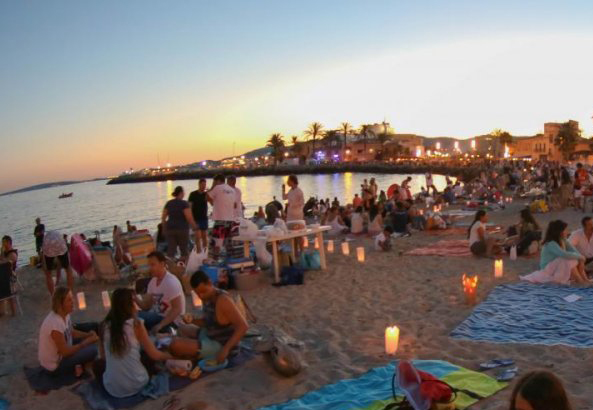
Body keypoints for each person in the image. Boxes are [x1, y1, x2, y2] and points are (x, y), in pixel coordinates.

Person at [99, 288, 173, 398]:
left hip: (112, 389)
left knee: (98, 366)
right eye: (134, 302)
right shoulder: (136, 325)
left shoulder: (104, 326)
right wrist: (173, 355)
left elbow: (103, 357)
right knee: (148, 357)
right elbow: (155, 355)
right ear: (129, 305)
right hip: (137, 383)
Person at [171, 270, 249, 363]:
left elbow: (243, 326)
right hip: (209, 334)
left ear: (210, 283)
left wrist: (226, 349)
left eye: (203, 291)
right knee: (182, 328)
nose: (201, 296)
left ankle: (193, 354)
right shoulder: (206, 297)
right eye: (198, 294)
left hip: (221, 344)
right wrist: (192, 320)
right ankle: (193, 352)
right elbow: (208, 322)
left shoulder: (223, 300)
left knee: (175, 345)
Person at [38, 287, 98, 377]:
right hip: (56, 365)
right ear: (60, 304)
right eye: (69, 300)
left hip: (65, 349)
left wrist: (88, 335)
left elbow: (71, 332)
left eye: (72, 298)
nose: (73, 302)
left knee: (90, 343)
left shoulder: (65, 314)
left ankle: (78, 365)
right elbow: (65, 352)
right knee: (93, 350)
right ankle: (77, 367)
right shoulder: (54, 325)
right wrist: (85, 343)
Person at [521, 220, 590, 285]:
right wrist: (581, 257)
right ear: (560, 232)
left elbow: (575, 251)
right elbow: (563, 254)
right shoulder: (550, 243)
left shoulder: (563, 240)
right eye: (566, 230)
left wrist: (581, 259)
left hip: (557, 265)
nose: (567, 231)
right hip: (547, 269)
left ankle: (584, 279)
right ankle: (580, 281)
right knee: (568, 259)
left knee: (573, 257)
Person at [136, 251, 186, 333]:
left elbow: (177, 309)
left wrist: (161, 325)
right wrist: (135, 298)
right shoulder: (153, 281)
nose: (150, 268)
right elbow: (147, 306)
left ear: (162, 264)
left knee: (136, 317)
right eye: (149, 265)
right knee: (131, 315)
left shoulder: (171, 282)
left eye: (153, 265)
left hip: (170, 320)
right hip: (156, 316)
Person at [162, 186, 200, 260]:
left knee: (171, 251)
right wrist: (195, 227)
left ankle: (170, 268)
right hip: (182, 229)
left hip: (170, 229)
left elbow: (163, 217)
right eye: (183, 192)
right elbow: (189, 218)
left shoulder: (169, 203)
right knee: (184, 251)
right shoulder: (184, 204)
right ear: (181, 193)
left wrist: (164, 229)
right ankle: (183, 268)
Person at [208, 175, 239, 259]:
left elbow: (207, 196)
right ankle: (231, 260)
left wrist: (212, 186)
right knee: (227, 242)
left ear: (217, 181)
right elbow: (235, 205)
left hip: (220, 220)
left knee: (216, 242)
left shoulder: (217, 188)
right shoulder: (232, 190)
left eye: (214, 181)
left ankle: (215, 260)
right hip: (230, 220)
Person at [42, 230, 73, 294]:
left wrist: (45, 269)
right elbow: (60, 263)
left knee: (48, 273)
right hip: (59, 244)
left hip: (48, 245)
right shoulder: (59, 237)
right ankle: (69, 293)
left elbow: (45, 267)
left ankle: (53, 296)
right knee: (68, 269)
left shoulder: (46, 238)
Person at [188, 178, 209, 253]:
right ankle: (199, 252)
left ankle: (205, 252)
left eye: (205, 185)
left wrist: (209, 193)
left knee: (204, 237)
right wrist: (190, 219)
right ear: (199, 184)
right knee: (198, 237)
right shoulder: (193, 194)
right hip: (196, 218)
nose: (203, 186)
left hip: (204, 218)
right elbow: (189, 207)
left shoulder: (206, 194)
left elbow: (212, 202)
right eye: (202, 184)